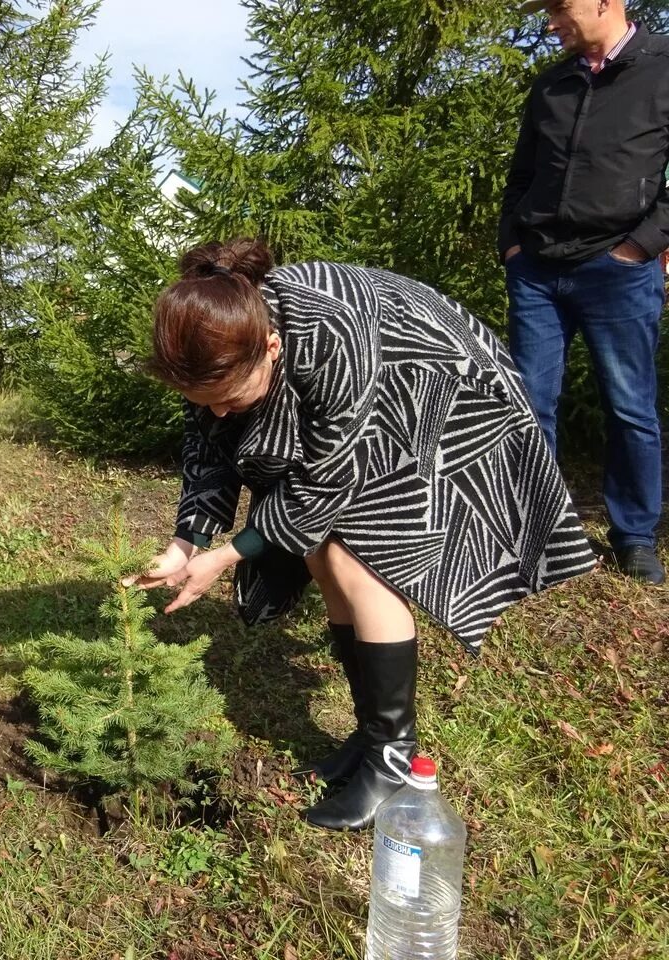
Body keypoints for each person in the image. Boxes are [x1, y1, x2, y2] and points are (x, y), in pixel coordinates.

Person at [127, 239, 596, 831]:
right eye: (204, 402)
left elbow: (326, 480)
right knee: (320, 552)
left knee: (359, 558)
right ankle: (369, 733)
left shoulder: (328, 332)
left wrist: (227, 555)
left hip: (433, 383)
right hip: (365, 391)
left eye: (231, 399)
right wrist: (185, 543)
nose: (220, 413)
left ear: (271, 348)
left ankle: (393, 759)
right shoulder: (213, 347)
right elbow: (209, 450)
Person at [502, 0, 669, 585]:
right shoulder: (552, 85)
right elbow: (521, 175)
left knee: (630, 408)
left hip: (618, 271)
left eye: (560, 7)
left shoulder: (663, 68)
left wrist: (641, 247)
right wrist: (513, 246)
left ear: (606, 2)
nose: (550, 22)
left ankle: (634, 536)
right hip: (538, 271)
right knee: (529, 409)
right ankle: (538, 534)